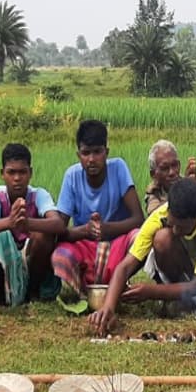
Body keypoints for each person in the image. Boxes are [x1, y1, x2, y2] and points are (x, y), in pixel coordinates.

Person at [88, 178, 196, 335]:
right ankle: (178, 299)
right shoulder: (159, 217)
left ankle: (189, 303)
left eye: (181, 227)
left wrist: (151, 292)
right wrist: (107, 307)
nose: (175, 231)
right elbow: (125, 267)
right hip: (178, 270)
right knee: (163, 238)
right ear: (168, 210)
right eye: (172, 223)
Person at [51, 120, 144, 311]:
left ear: (106, 152)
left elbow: (138, 219)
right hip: (87, 246)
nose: (91, 159)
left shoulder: (118, 168)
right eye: (86, 153)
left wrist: (107, 229)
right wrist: (85, 231)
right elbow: (59, 230)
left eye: (97, 152)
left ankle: (117, 284)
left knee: (140, 238)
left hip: (116, 243)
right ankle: (85, 291)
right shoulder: (72, 177)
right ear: (79, 155)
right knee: (60, 256)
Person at [0, 143, 66, 306]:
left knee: (43, 236)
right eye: (11, 172)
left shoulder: (39, 195)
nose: (17, 178)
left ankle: (32, 291)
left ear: (30, 173)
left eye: (22, 172)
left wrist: (27, 223)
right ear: (2, 174)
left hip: (31, 260)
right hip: (5, 261)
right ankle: (0, 293)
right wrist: (10, 222)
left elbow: (58, 224)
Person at [144, 140, 196, 214]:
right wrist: (185, 190)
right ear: (153, 174)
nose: (171, 172)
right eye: (164, 168)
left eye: (175, 165)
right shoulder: (154, 192)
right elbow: (156, 213)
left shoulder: (184, 181)